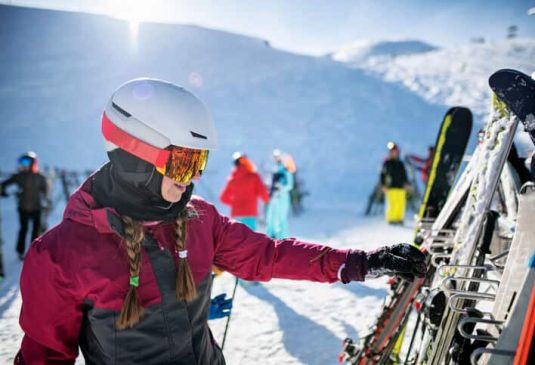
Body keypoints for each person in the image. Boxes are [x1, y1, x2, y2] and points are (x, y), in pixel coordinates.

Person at [15, 79, 426, 364]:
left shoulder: (199, 220)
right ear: (135, 156)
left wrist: (359, 262)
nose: (193, 177)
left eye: (199, 162)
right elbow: (45, 357)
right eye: (183, 161)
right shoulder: (61, 255)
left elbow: (270, 255)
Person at [0, 152, 49, 260]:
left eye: (25, 162)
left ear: (33, 163)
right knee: (23, 229)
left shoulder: (40, 177)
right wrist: (4, 192)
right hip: (23, 209)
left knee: (36, 231)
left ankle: (34, 252)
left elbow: (45, 192)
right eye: (21, 162)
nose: (23, 165)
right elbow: (4, 184)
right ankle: (20, 251)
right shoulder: (19, 176)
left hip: (37, 208)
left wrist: (46, 203)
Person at [219, 152, 268, 231]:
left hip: (236, 214)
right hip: (250, 213)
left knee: (237, 239)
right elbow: (264, 195)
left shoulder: (232, 179)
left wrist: (235, 203)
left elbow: (223, 198)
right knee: (251, 239)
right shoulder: (254, 177)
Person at [265, 149, 294, 239]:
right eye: (275, 157)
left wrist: (280, 189)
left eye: (278, 157)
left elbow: (290, 185)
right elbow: (269, 182)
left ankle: (283, 239)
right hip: (273, 198)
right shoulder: (274, 170)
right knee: (270, 218)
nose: (276, 159)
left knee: (281, 219)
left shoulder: (286, 171)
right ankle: (271, 238)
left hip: (282, 197)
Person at [380, 142, 410, 225]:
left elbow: (404, 175)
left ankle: (399, 218)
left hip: (400, 187)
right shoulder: (387, 163)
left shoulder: (400, 163)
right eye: (393, 151)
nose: (395, 153)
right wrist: (383, 185)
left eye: (396, 151)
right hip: (391, 187)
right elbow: (382, 175)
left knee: (400, 204)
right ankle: (391, 219)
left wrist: (406, 183)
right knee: (392, 204)